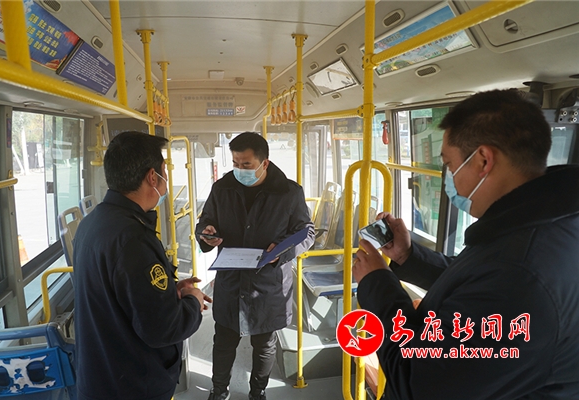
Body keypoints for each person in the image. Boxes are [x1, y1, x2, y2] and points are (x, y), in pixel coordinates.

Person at [353, 89, 579, 399]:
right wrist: (408, 256)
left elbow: (417, 383)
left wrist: (376, 282)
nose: (449, 177)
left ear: (483, 160)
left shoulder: (521, 274)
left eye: (449, 165)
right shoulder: (543, 226)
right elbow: (477, 282)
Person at [73, 131, 211, 400]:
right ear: (152, 177)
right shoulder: (133, 239)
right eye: (164, 171)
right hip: (132, 385)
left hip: (100, 376)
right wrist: (193, 301)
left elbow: (121, 293)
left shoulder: (93, 222)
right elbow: (163, 328)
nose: (166, 179)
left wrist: (170, 292)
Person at [196, 132, 314, 400]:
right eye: (235, 163)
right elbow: (205, 222)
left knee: (264, 345)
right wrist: (206, 233)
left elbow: (306, 233)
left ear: (264, 163)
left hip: (268, 282)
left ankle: (257, 392)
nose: (239, 170)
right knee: (223, 341)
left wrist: (281, 252)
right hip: (231, 280)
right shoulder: (222, 189)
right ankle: (219, 390)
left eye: (246, 164)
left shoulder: (289, 193)